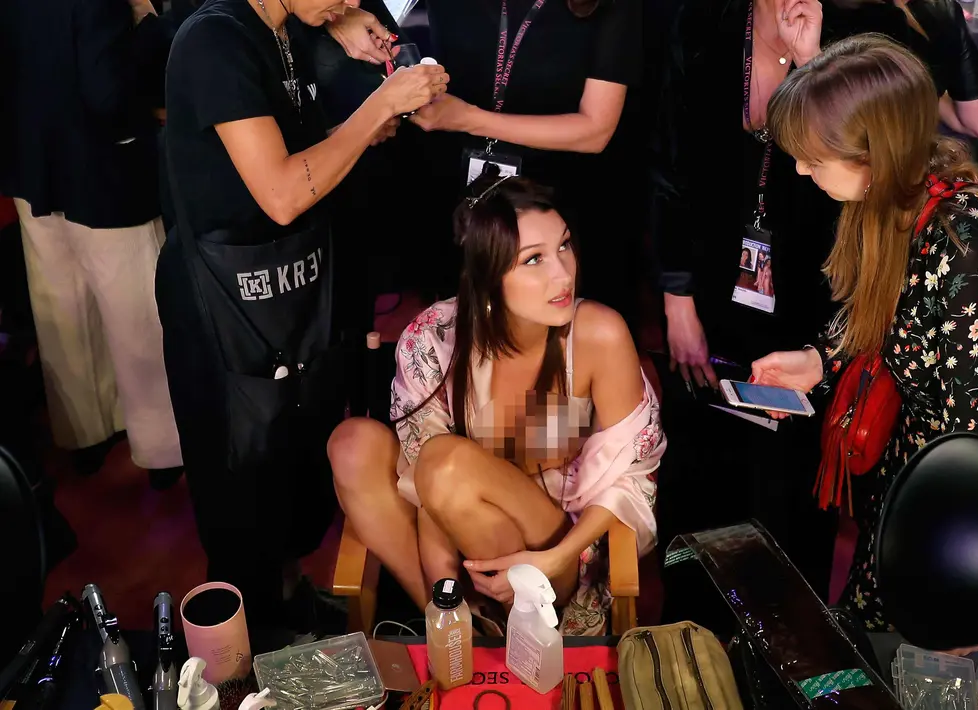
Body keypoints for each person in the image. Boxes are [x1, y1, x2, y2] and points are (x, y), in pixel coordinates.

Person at [755, 35, 978, 629]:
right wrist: (821, 359)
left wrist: (973, 587)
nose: (800, 169)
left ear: (871, 152)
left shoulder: (970, 243)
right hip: (920, 467)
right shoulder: (895, 195)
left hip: (973, 507)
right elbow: (891, 313)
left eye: (814, 159)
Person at [158, 0, 449, 630]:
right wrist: (380, 105)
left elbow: (310, 151)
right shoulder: (215, 41)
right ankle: (251, 644)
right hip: (224, 302)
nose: (352, 1)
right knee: (242, 481)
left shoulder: (285, 29)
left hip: (292, 288)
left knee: (294, 461)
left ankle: (288, 599)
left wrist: (362, 126)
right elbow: (284, 193)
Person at [328, 176, 662, 635]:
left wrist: (553, 558)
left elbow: (632, 481)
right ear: (488, 275)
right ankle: (456, 628)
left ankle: (496, 635)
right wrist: (444, 588)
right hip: (454, 536)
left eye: (564, 246)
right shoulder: (435, 339)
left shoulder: (598, 334)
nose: (563, 274)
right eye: (534, 260)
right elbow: (428, 496)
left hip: (557, 555)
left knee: (446, 464)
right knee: (354, 445)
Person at [651, 0, 839, 610]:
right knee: (702, 461)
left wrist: (813, 62)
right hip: (706, 285)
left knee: (787, 483)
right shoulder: (698, 21)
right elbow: (667, 166)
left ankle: (786, 643)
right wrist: (677, 300)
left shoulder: (857, 36)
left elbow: (864, 178)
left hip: (813, 296)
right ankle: (694, 631)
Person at [7, 0, 183, 480]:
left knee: (62, 307)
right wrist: (148, 22)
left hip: (31, 165)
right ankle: (162, 449)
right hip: (102, 170)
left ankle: (85, 435)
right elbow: (107, 93)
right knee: (139, 318)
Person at [410, 0, 643, 326]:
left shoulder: (614, 9)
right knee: (466, 330)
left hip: (557, 205)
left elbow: (596, 130)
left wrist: (470, 119)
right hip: (461, 198)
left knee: (551, 341)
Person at [823, 0, 978, 140]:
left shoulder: (809, 19)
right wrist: (925, 90)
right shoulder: (942, 10)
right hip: (913, 167)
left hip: (839, 170)